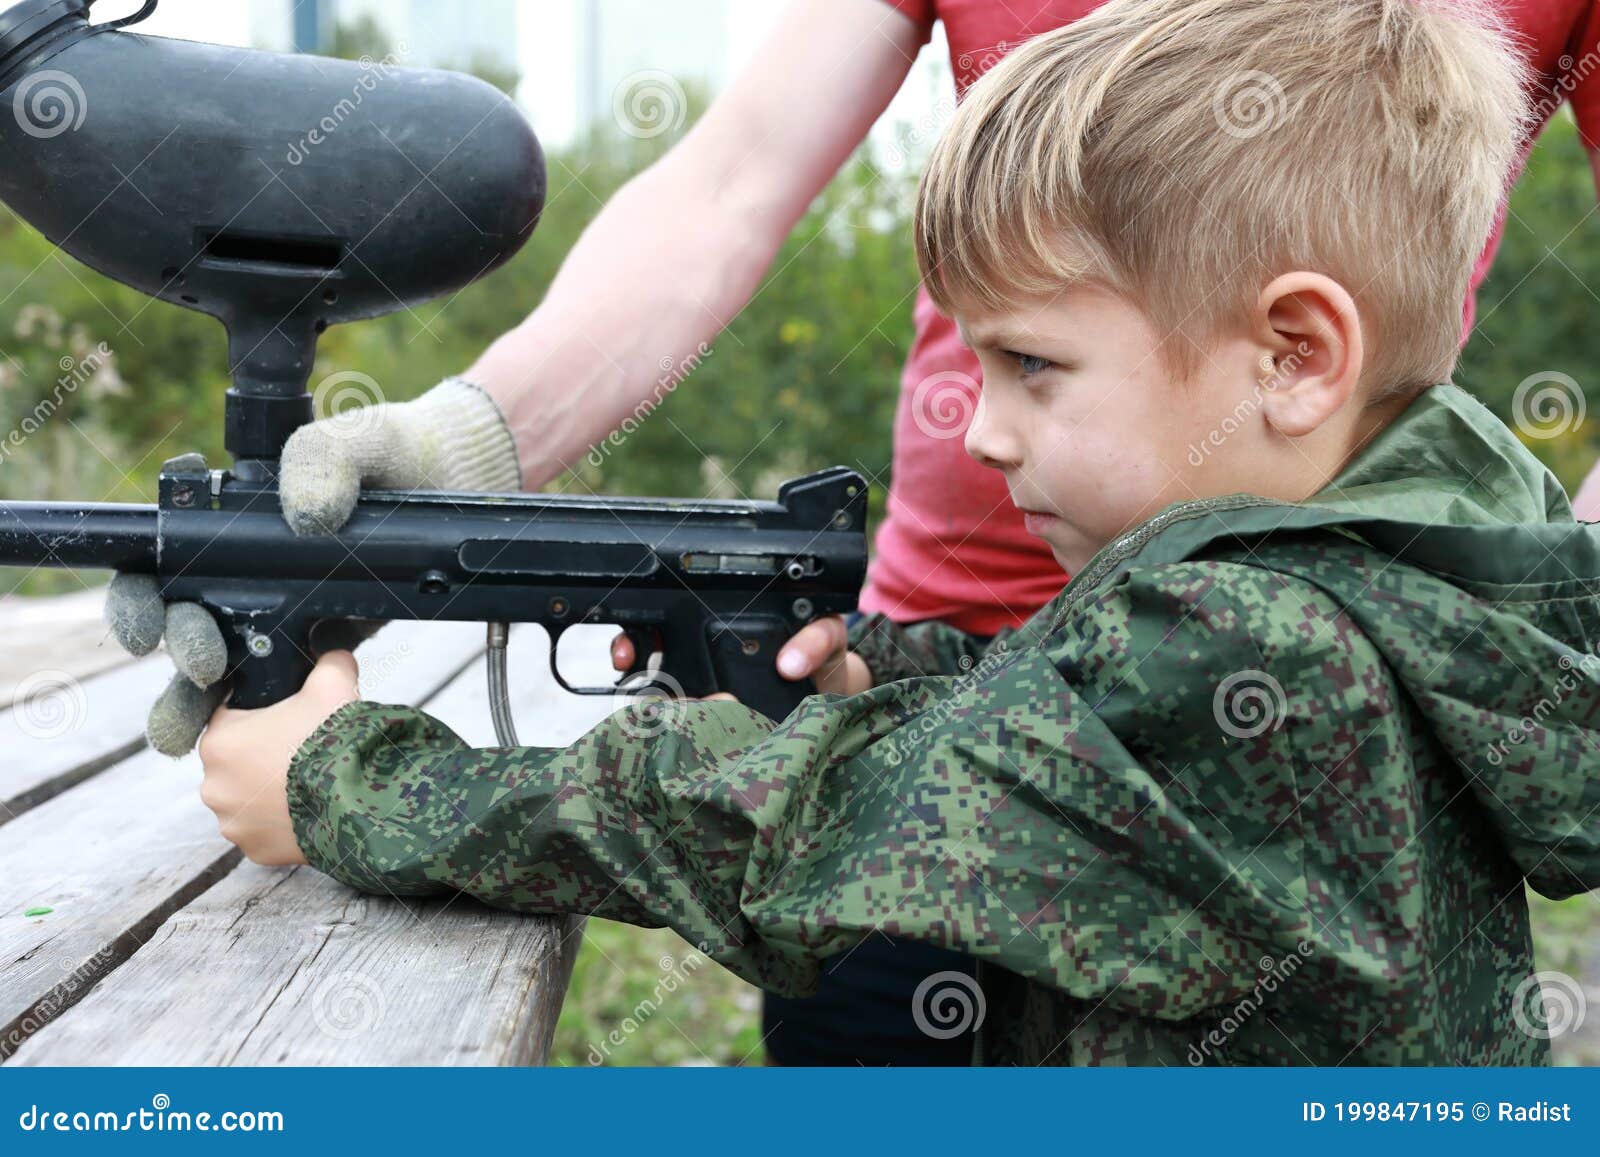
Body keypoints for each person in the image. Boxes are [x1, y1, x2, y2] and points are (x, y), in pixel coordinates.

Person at [106, 0, 1600, 1065]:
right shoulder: (1391, 582)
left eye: (1032, 364)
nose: (982, 424)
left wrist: (353, 781)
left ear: (1293, 355)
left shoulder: (1247, 651)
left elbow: (783, 827)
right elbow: (728, 180)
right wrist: (901, 674)